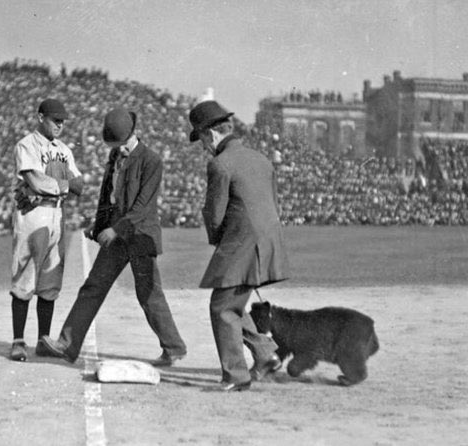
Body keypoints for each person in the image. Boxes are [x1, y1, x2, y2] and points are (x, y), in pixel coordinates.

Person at [39, 107, 186, 365]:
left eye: (120, 144)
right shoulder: (114, 156)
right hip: (117, 236)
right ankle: (67, 345)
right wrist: (98, 227)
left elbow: (142, 207)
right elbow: (107, 198)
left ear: (132, 134)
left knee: (149, 295)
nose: (117, 148)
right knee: (93, 287)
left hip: (140, 236)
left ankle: (174, 348)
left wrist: (116, 229)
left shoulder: (152, 160)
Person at [189, 100, 290, 391]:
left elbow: (214, 214)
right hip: (269, 241)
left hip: (242, 241)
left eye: (202, 139)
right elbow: (273, 203)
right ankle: (266, 354)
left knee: (222, 308)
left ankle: (236, 376)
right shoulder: (261, 159)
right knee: (230, 303)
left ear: (210, 134)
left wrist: (219, 241)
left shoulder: (220, 163)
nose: (203, 147)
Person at [10, 98, 84, 361]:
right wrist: (64, 185)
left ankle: (43, 340)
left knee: (51, 279)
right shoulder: (26, 145)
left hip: (57, 214)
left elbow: (79, 183)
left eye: (62, 121)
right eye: (55, 120)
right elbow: (35, 181)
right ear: (41, 117)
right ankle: (18, 341)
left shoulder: (64, 149)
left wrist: (59, 186)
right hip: (33, 213)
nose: (60, 125)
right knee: (25, 276)